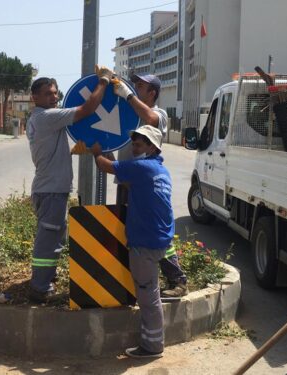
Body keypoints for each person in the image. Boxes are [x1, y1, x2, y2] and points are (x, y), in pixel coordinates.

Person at [26, 67, 112, 303]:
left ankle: (45, 279)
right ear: (35, 97)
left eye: (55, 93)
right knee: (48, 242)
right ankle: (40, 288)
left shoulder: (38, 119)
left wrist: (71, 151)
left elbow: (51, 148)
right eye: (47, 94)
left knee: (54, 239)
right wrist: (103, 82)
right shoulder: (46, 117)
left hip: (50, 189)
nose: (54, 97)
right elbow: (87, 109)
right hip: (51, 190)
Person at [91, 125, 174, 358]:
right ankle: (153, 341)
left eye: (138, 145)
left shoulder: (142, 167)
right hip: (159, 241)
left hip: (145, 243)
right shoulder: (159, 170)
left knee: (147, 296)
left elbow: (106, 166)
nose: (134, 149)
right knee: (151, 291)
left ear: (152, 147)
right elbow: (126, 178)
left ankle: (153, 346)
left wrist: (97, 152)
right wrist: (108, 153)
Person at [113, 74, 188, 299]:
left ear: (152, 93)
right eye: (134, 85)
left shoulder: (159, 114)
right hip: (126, 182)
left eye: (140, 86)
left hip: (146, 187)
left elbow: (150, 117)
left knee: (156, 235)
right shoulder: (129, 113)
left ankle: (178, 279)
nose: (135, 88)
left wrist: (126, 94)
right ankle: (132, 281)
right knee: (129, 233)